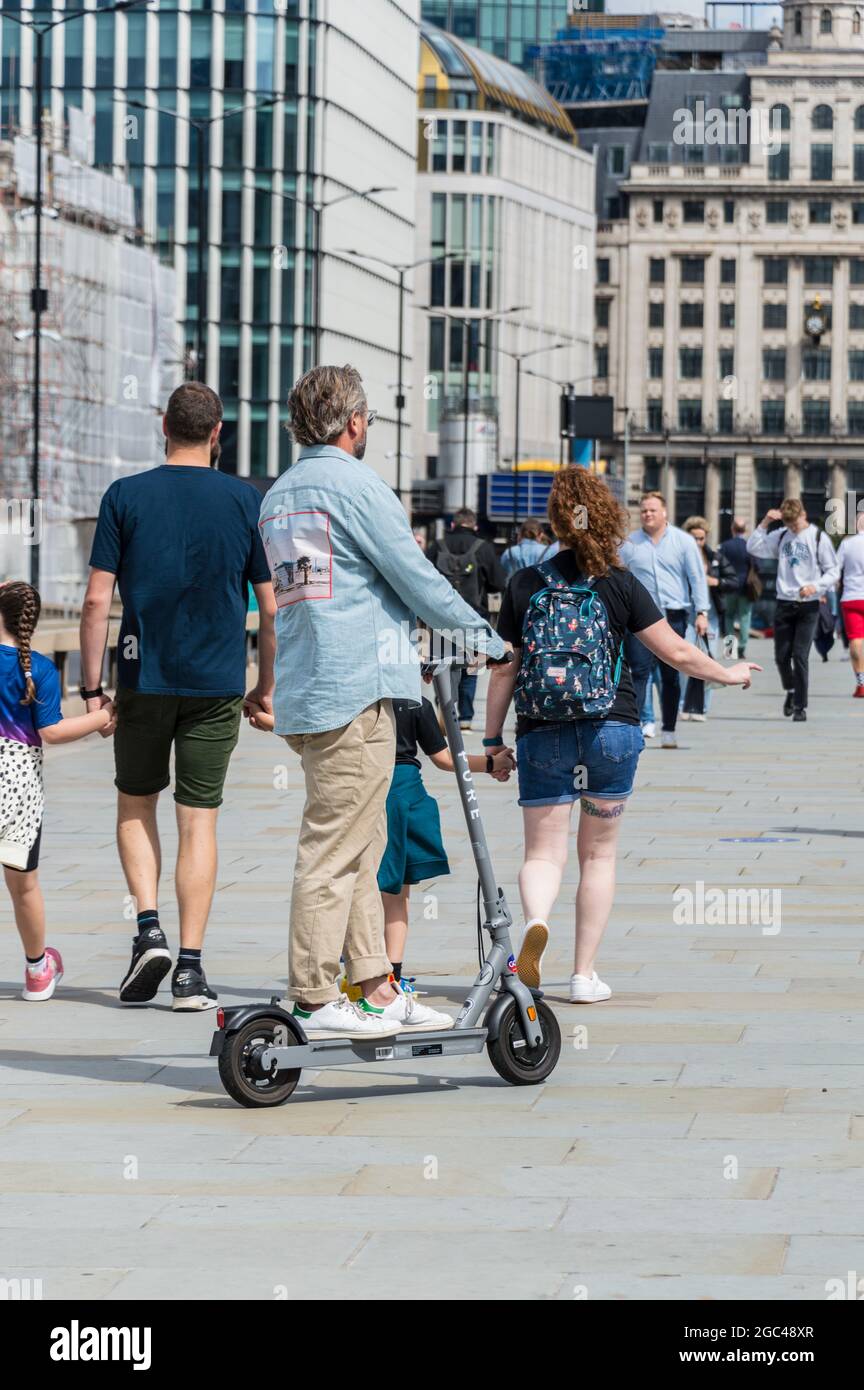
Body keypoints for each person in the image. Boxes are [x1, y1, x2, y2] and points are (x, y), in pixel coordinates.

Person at [250, 365, 505, 1041]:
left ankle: (373, 985)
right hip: (355, 687)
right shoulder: (356, 485)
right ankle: (311, 993)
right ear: (355, 423)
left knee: (364, 843)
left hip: (310, 687)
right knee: (333, 849)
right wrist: (488, 640)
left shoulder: (278, 496)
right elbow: (415, 576)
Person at [485, 468, 758, 1003]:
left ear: (556, 520)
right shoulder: (619, 581)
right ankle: (584, 975)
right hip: (612, 728)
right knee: (599, 855)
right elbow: (675, 652)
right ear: (608, 517)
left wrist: (494, 741)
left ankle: (537, 921)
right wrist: (730, 672)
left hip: (543, 733)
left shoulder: (525, 584)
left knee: (542, 854)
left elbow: (503, 669)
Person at [80, 382, 276, 1011]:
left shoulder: (125, 496)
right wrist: (263, 687)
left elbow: (94, 601)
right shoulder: (245, 501)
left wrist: (91, 689)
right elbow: (269, 609)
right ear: (218, 432)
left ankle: (148, 929)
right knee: (200, 819)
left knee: (136, 804)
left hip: (142, 677)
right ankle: (190, 970)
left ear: (163, 424)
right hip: (217, 682)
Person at [1, 582, 115, 1000]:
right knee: (24, 884)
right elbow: (51, 730)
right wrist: (104, 715)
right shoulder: (41, 670)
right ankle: (37, 970)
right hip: (18, 787)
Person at [620, 491, 710, 749]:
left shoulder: (683, 542)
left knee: (671, 675)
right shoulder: (630, 544)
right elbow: (619, 578)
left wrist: (702, 612)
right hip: (639, 618)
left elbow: (696, 579)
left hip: (674, 616)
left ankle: (669, 728)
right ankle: (636, 727)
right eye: (644, 510)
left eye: (652, 510)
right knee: (638, 673)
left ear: (665, 513)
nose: (648, 514)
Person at [746, 498, 839, 721]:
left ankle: (800, 706)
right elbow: (753, 547)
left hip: (809, 605)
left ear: (803, 515)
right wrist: (765, 522)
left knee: (800, 655)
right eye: (789, 525)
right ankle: (790, 690)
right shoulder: (780, 536)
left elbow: (833, 571)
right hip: (784, 602)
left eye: (795, 524)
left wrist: (815, 586)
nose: (793, 529)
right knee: (780, 656)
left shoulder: (818, 537)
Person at [426, 509, 507, 730]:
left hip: (441, 616)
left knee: (442, 663)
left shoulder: (437, 546)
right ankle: (465, 716)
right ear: (475, 526)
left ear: (453, 525)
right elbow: (498, 583)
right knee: (471, 667)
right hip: (473, 615)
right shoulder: (483, 548)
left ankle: (445, 705)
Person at [680, 516, 738, 722]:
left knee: (708, 659)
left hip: (711, 615)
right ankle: (683, 705)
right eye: (693, 538)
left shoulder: (715, 557)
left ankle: (703, 707)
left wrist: (715, 581)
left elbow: (733, 581)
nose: (697, 542)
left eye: (701, 538)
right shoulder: (681, 557)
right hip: (686, 613)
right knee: (683, 658)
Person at [720, 518, 756, 659]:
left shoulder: (725, 546)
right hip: (745, 587)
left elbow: (720, 564)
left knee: (728, 616)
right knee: (744, 617)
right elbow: (756, 565)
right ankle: (742, 647)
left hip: (729, 586)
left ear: (732, 529)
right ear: (745, 530)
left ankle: (730, 648)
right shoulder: (749, 546)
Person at [837, 510, 864, 697]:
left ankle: (861, 684)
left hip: (851, 597)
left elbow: (834, 569)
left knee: (855, 640)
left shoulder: (847, 544)